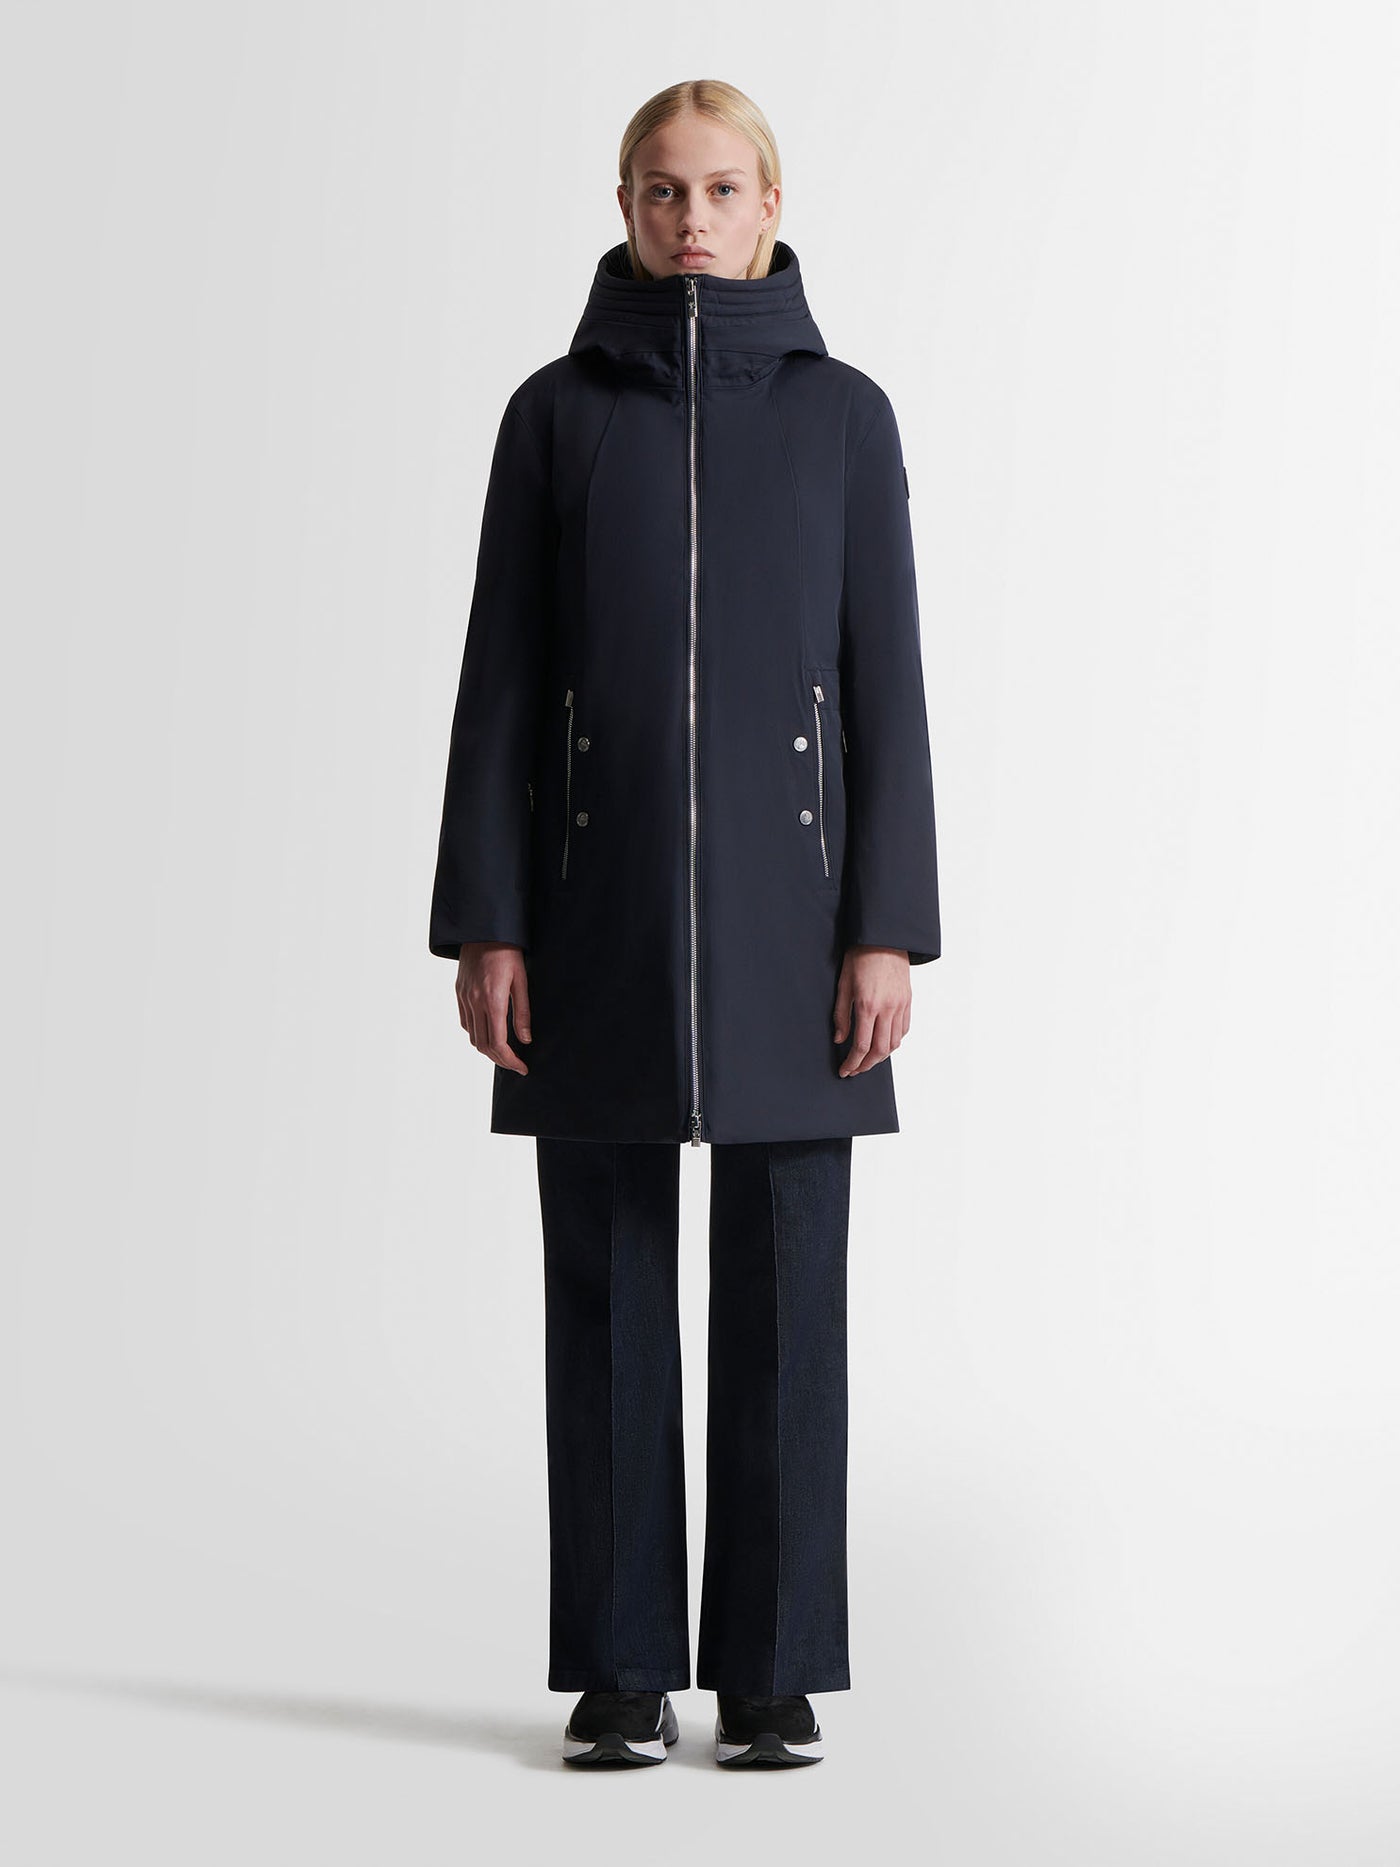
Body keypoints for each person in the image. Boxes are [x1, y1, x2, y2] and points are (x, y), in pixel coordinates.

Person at [428, 78, 940, 1770]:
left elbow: (886, 687)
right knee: (603, 1290)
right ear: (627, 208)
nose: (692, 219)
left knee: (791, 1298)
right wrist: (489, 920)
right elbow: (504, 687)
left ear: (772, 204)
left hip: (802, 928)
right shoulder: (553, 417)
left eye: (722, 190)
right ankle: (624, 1665)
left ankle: (774, 1667)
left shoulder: (846, 418)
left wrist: (887, 925)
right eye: (663, 191)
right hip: (592, 915)